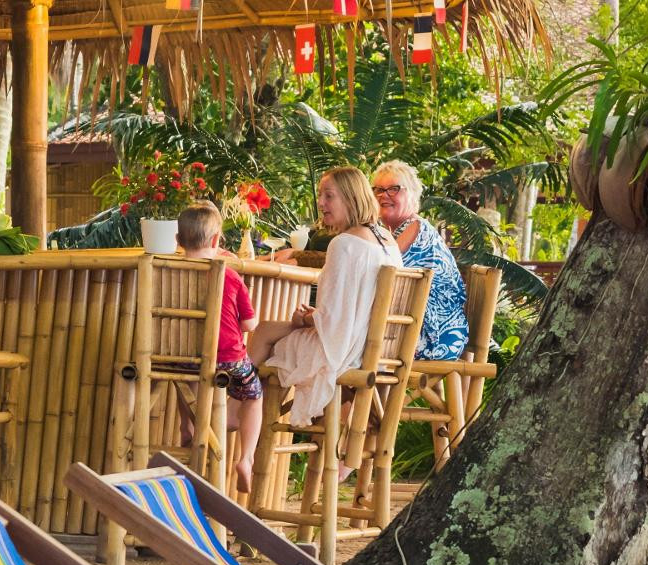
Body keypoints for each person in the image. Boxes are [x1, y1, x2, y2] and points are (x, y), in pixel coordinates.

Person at [250, 167, 401, 426]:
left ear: (351, 197)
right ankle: (244, 415)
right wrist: (315, 318)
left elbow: (331, 322)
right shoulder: (388, 241)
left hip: (342, 351)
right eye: (321, 196)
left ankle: (235, 412)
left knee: (264, 331)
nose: (321, 203)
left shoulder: (344, 244)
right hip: (377, 349)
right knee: (270, 333)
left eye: (329, 196)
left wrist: (306, 320)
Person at [174, 202, 263, 493]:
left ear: (177, 241)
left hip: (182, 358)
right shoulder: (230, 275)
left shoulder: (172, 271)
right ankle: (246, 459)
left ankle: (188, 428)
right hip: (227, 359)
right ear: (216, 241)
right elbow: (250, 325)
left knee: (183, 379)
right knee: (254, 395)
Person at [371, 159, 469, 361]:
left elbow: (377, 271)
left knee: (349, 345)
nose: (383, 195)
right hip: (415, 328)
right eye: (378, 190)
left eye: (394, 189)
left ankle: (365, 391)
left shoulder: (414, 227)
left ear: (412, 193)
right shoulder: (393, 231)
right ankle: (369, 392)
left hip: (434, 336)